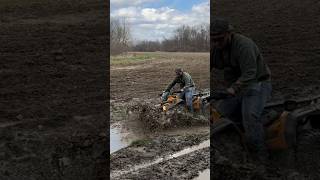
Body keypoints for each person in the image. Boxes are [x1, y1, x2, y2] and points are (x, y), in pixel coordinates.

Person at [210, 18, 272, 164]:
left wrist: (233, 89)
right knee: (220, 114)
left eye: (220, 39)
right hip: (236, 86)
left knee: (250, 116)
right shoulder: (216, 49)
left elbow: (250, 72)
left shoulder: (244, 45)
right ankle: (238, 144)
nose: (217, 43)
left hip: (257, 82)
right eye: (213, 40)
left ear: (229, 34)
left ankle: (260, 156)